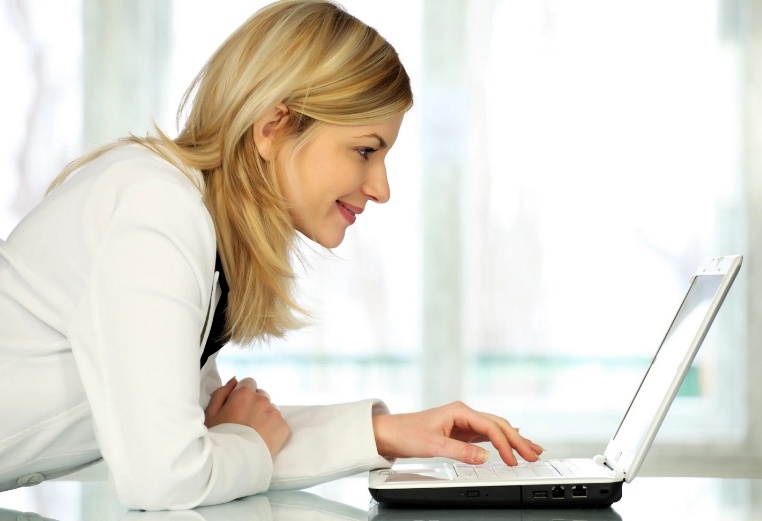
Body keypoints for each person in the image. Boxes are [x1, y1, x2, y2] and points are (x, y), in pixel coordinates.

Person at [0, 0, 543, 511]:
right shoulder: (156, 212)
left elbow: (213, 437)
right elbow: (168, 475)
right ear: (272, 128)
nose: (381, 189)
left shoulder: (187, 219)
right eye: (365, 150)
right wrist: (241, 441)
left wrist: (384, 433)